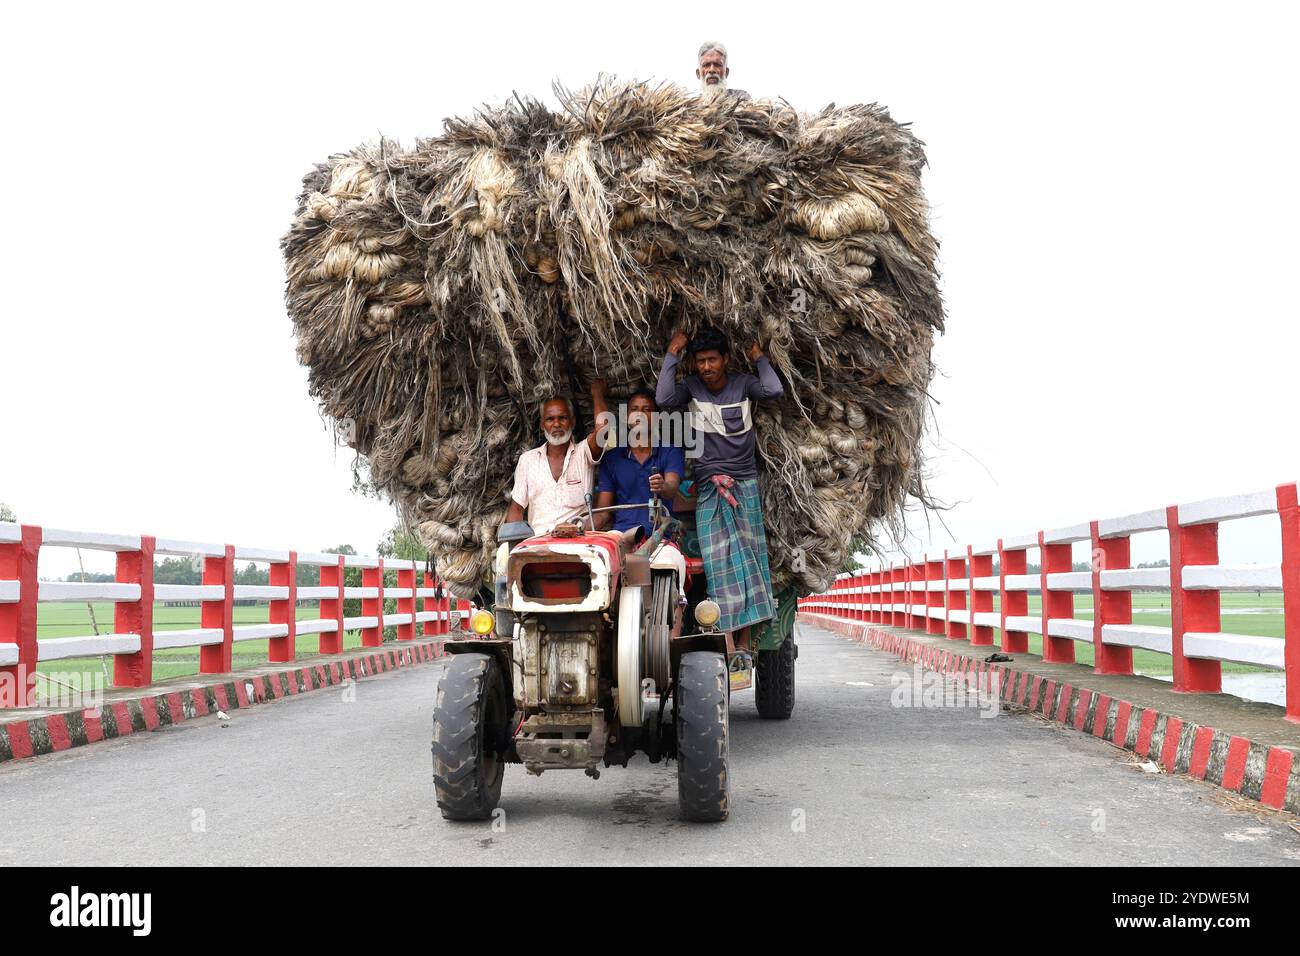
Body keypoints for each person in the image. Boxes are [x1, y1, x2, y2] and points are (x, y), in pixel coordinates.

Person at [655, 327, 782, 655]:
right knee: (719, 568)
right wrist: (673, 352)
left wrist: (758, 357)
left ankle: (745, 642)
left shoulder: (743, 384)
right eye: (700, 361)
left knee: (749, 564)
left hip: (745, 487)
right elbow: (664, 399)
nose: (706, 367)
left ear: (725, 359)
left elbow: (773, 388)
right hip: (710, 490)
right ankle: (726, 641)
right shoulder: (692, 388)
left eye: (712, 360)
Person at [503, 380, 609, 537]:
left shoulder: (583, 454)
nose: (557, 424)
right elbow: (516, 510)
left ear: (572, 422)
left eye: (562, 418)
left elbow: (603, 430)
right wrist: (513, 543)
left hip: (577, 544)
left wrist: (597, 394)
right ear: (542, 425)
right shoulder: (527, 460)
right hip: (538, 546)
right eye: (550, 419)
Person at [594, 389, 685, 537]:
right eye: (634, 409)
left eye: (647, 410)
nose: (639, 415)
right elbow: (602, 514)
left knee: (668, 560)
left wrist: (663, 486)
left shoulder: (671, 451)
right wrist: (577, 528)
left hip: (660, 537)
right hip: (621, 535)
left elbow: (671, 487)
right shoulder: (612, 458)